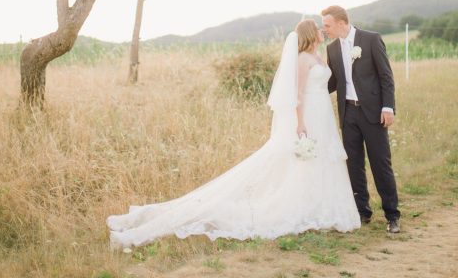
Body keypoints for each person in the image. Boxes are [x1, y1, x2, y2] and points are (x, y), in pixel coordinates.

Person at [106, 19, 360, 249]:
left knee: (319, 161)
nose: (321, 32)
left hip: (323, 116)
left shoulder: (319, 57)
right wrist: (300, 123)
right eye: (318, 29)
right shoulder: (303, 59)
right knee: (301, 162)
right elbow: (297, 95)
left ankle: (319, 209)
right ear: (309, 34)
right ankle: (141, 227)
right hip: (309, 118)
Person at [321, 5, 400, 233]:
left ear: (341, 23)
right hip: (348, 114)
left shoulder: (371, 39)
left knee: (380, 164)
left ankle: (392, 215)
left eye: (327, 25)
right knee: (353, 165)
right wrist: (308, 91)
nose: (325, 29)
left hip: (374, 112)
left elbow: (386, 76)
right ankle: (362, 212)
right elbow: (333, 82)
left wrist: (388, 107)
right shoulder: (332, 48)